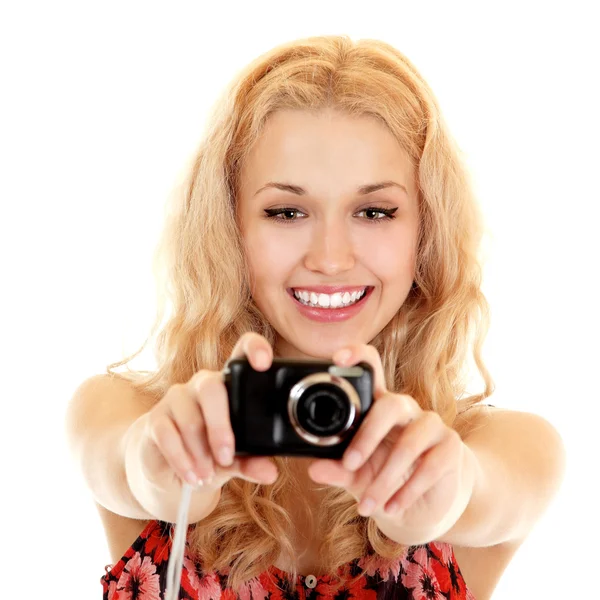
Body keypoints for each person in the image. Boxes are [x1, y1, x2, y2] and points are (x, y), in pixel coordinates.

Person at [65, 35, 566, 600]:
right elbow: (126, 463)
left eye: (375, 211)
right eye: (286, 211)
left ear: (425, 231)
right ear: (231, 227)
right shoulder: (122, 411)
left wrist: (444, 488)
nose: (330, 258)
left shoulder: (508, 447)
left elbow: (486, 492)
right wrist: (160, 464)